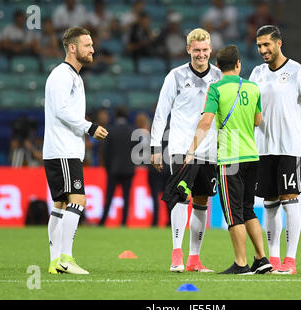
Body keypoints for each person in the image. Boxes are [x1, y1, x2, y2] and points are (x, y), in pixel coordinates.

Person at [185, 45, 272, 275]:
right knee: (248, 209)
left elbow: (206, 122)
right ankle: (262, 259)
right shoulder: (253, 88)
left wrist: (191, 149)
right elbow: (257, 120)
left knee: (234, 214)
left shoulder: (215, 88)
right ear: (238, 64)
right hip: (252, 155)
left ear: (218, 66)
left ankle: (241, 264)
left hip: (230, 158)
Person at [249, 25, 301, 274]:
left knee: (289, 200)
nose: (262, 50)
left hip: (288, 148)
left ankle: (290, 260)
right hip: (262, 149)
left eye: (266, 45)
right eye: (259, 45)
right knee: (269, 203)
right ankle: (274, 259)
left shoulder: (298, 71)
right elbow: (248, 110)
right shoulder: (257, 73)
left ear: (279, 43)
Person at [150, 28, 222, 273]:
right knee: (182, 198)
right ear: (188, 49)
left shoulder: (220, 76)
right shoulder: (175, 76)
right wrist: (155, 147)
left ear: (210, 49)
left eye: (205, 50)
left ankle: (194, 258)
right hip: (181, 147)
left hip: (210, 149)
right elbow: (161, 113)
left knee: (202, 202)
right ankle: (176, 255)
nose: (201, 55)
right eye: (197, 50)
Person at [43, 27, 108, 275]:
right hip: (63, 151)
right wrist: (89, 127)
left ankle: (54, 262)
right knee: (77, 200)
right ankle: (66, 258)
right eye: (87, 45)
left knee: (60, 205)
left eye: (92, 45)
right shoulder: (62, 75)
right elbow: (61, 110)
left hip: (63, 149)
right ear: (72, 48)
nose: (92, 49)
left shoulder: (74, 76)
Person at [99, 107, 136, 227]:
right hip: (128, 170)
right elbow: (137, 152)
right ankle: (124, 222)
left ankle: (103, 221)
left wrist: (108, 168)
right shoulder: (132, 131)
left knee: (109, 197)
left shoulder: (110, 131)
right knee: (126, 197)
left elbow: (105, 152)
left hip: (113, 170)